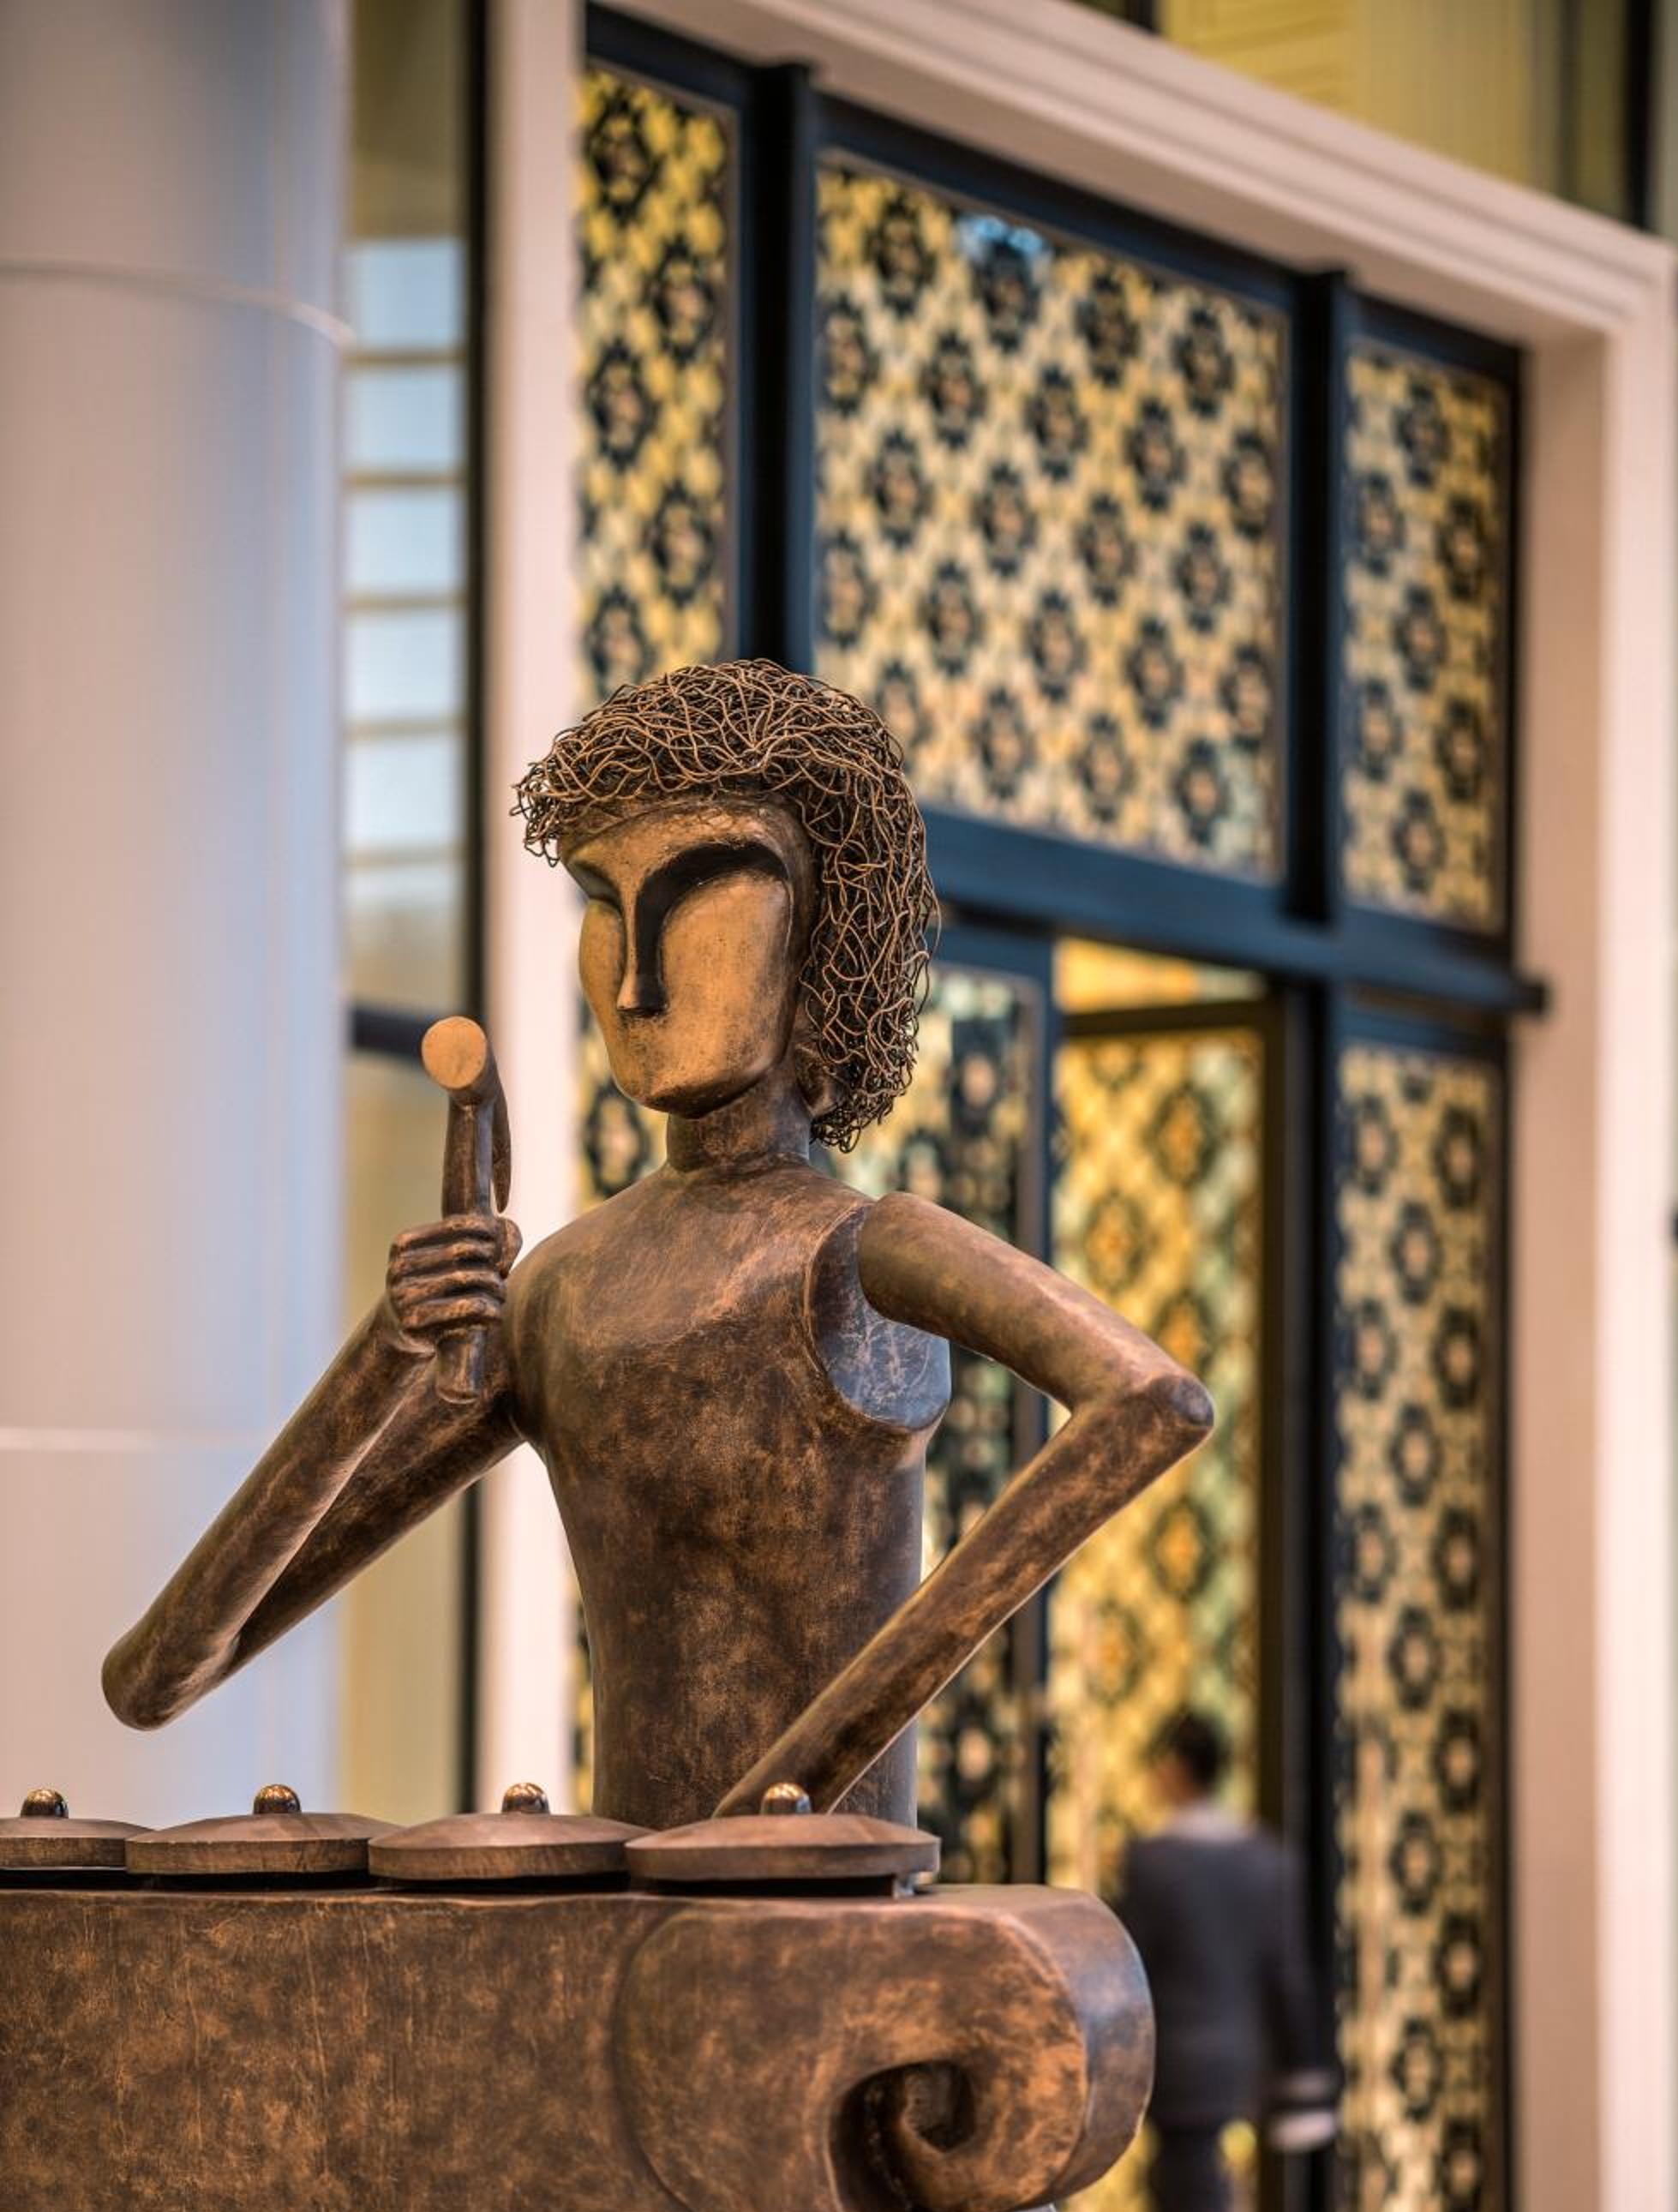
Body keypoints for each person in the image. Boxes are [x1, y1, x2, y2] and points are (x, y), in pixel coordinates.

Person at [102, 660, 1212, 1830]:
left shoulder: (860, 1256)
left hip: (822, 1902)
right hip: (631, 1903)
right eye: (602, 904)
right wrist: (386, 1353)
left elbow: (1148, 1402)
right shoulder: (560, 1291)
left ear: (823, 935)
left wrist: (804, 1770)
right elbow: (158, 1674)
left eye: (701, 898)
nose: (636, 980)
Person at [1118, 1711, 1336, 2212]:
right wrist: (1305, 2072)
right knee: (1192, 2203)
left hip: (1177, 2063)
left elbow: (1126, 1965)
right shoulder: (1266, 1859)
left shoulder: (1154, 1860)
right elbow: (1290, 1974)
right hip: (1239, 2061)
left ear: (1175, 1768)